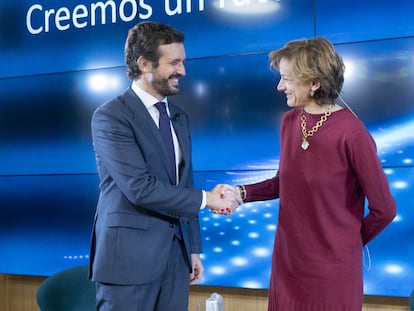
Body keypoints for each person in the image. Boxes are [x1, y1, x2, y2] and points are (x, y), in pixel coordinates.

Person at [220, 37, 396, 310]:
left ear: (315, 83)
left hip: (332, 274)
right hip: (288, 264)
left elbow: (384, 209)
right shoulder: (290, 122)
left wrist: (347, 246)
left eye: (287, 79)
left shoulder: (352, 133)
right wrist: (241, 193)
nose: (280, 87)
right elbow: (284, 182)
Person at [89, 21, 238, 311]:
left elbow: (185, 182)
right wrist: (208, 200)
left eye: (182, 62)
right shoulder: (111, 117)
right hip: (127, 263)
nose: (182, 71)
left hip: (175, 258)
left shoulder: (179, 117)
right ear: (144, 64)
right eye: (174, 63)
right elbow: (139, 188)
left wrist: (192, 247)